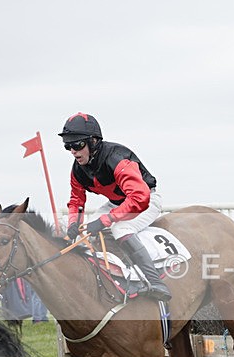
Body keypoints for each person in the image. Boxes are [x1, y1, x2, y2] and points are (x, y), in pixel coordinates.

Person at [60, 113, 171, 301]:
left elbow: (139, 198)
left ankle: (156, 281)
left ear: (93, 141)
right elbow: (76, 201)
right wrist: (73, 224)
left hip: (146, 200)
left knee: (121, 227)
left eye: (77, 145)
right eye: (68, 146)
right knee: (84, 230)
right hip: (117, 202)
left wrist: (106, 219)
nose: (73, 151)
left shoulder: (117, 159)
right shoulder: (77, 169)